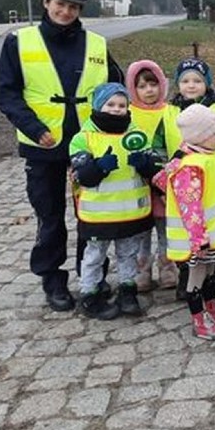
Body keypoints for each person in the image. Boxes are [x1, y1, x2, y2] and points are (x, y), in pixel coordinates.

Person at [0, 0, 123, 312]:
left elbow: (115, 86)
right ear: (46, 3)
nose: (66, 12)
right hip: (43, 145)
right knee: (50, 215)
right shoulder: (19, 42)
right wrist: (35, 128)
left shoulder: (96, 45)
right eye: (60, 4)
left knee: (92, 215)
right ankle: (53, 279)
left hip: (89, 143)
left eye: (73, 6)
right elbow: (7, 95)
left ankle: (91, 276)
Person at [153, 104, 215, 340]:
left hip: (213, 233)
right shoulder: (191, 167)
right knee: (196, 276)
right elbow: (190, 208)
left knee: (211, 270)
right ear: (199, 137)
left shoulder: (208, 154)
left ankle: (212, 307)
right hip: (199, 238)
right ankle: (198, 319)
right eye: (214, 133)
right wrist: (199, 239)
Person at [69, 83, 158, 319]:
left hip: (130, 212)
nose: (116, 109)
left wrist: (144, 164)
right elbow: (82, 176)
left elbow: (153, 169)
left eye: (121, 105)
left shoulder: (137, 136)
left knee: (128, 254)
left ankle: (127, 290)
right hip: (98, 215)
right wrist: (98, 167)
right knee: (95, 256)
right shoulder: (83, 138)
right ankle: (90, 294)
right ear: (99, 106)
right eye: (110, 104)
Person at [153, 57, 215, 299]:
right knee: (186, 231)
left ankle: (212, 274)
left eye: (197, 80)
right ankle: (186, 275)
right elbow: (159, 147)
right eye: (185, 81)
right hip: (180, 182)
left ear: (207, 83)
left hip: (210, 180)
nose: (191, 85)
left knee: (211, 230)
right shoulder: (169, 112)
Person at [126, 59, 177, 291]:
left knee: (165, 228)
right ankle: (142, 270)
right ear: (133, 89)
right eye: (142, 86)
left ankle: (167, 267)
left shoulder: (172, 112)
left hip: (165, 183)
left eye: (153, 84)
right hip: (137, 183)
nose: (149, 90)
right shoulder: (127, 114)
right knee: (141, 232)